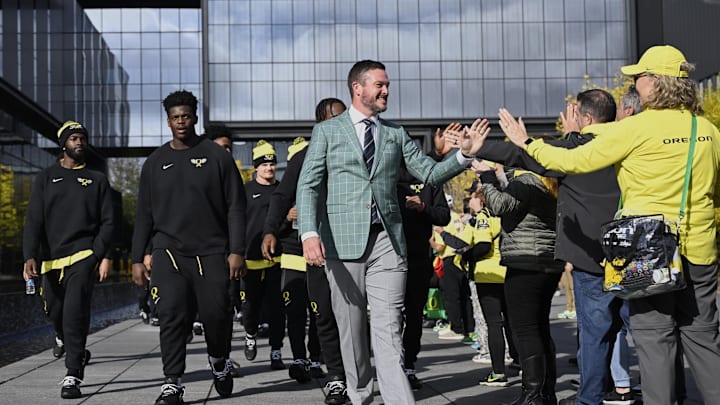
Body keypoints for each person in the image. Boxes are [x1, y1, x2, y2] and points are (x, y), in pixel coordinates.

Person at [498, 45, 720, 405]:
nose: (634, 83)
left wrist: (526, 143)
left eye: (639, 77)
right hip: (700, 250)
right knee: (704, 339)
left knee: (654, 340)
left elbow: (574, 161)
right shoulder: (707, 130)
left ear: (655, 83)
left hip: (649, 251)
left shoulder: (635, 129)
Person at [296, 59, 488, 404]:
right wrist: (309, 233)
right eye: (379, 85)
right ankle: (359, 394)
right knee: (352, 328)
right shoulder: (327, 132)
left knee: (388, 329)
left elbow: (429, 172)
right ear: (358, 88)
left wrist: (462, 156)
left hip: (387, 241)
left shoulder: (396, 134)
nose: (386, 91)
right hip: (340, 243)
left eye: (387, 85)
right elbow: (308, 185)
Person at [475, 89, 623, 405]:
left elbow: (505, 199)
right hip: (596, 254)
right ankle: (549, 392)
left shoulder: (541, 171)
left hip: (549, 258)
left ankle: (541, 395)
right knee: (637, 332)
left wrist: (490, 166)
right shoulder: (623, 141)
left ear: (585, 118)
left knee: (534, 329)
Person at [131, 90, 247, 405]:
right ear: (167, 121)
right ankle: (173, 382)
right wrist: (136, 259)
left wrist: (236, 250)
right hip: (168, 251)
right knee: (170, 315)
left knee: (216, 316)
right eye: (174, 117)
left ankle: (220, 360)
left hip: (211, 252)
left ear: (194, 117)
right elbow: (144, 214)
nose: (181, 122)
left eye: (186, 116)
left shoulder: (217, 155)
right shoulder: (155, 162)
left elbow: (236, 206)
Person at [261, 97, 350, 405]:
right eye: (336, 117)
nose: (343, 122)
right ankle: (335, 377)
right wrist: (271, 229)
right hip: (314, 250)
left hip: (355, 248)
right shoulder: (305, 157)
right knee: (321, 313)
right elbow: (282, 196)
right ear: (321, 122)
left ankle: (353, 370)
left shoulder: (360, 150)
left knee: (351, 317)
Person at [22, 120, 114, 399]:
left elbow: (109, 221)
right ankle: (65, 340)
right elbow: (33, 220)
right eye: (74, 138)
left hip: (84, 255)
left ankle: (72, 374)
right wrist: (29, 255)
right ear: (64, 144)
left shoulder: (97, 179)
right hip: (51, 260)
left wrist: (101, 254)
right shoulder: (46, 177)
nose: (79, 143)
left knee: (75, 312)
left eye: (83, 138)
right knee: (55, 311)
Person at [397, 164, 451, 389]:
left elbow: (443, 217)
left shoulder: (430, 179)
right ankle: (391, 367)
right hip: (387, 256)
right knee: (388, 316)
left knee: (414, 315)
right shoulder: (385, 173)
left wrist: (423, 207)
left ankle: (409, 366)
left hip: (419, 258)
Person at [241, 140, 287, 370]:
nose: (269, 168)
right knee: (250, 306)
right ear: (256, 167)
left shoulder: (282, 191)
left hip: (277, 258)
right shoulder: (245, 191)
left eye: (272, 164)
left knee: (277, 307)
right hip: (250, 258)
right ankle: (250, 334)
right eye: (265, 164)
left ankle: (276, 351)